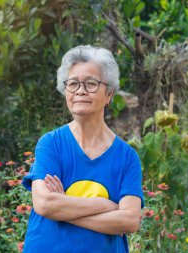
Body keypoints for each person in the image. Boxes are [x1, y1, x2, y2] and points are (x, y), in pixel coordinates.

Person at [22, 45, 144, 253]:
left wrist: (64, 208)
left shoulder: (127, 157)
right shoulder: (50, 144)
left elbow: (130, 220)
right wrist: (104, 205)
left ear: (109, 95)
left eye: (91, 83)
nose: (80, 91)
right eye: (73, 84)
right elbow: (44, 204)